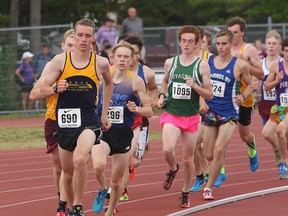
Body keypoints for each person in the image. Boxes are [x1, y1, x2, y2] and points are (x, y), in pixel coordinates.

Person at [29, 18, 113, 216]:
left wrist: (104, 113)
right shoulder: (60, 61)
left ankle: (77, 206)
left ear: (93, 39)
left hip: (88, 121)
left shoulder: (100, 63)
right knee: (67, 173)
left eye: (88, 36)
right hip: (65, 122)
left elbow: (108, 84)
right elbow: (35, 94)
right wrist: (54, 88)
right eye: (80, 35)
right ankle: (67, 204)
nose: (83, 40)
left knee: (80, 159)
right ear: (74, 37)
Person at [91, 41, 153, 216]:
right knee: (98, 166)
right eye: (119, 56)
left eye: (126, 57)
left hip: (124, 134)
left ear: (132, 59)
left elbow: (149, 110)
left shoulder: (136, 81)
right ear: (112, 57)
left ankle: (109, 212)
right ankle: (103, 189)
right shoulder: (103, 77)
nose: (122, 60)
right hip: (103, 131)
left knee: (117, 182)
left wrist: (137, 109)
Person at [157, 25, 213, 208]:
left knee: (188, 159)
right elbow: (165, 82)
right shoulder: (170, 63)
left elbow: (209, 94)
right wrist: (161, 96)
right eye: (184, 41)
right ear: (179, 42)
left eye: (191, 41)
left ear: (197, 44)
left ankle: (185, 192)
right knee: (167, 149)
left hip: (191, 117)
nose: (187, 44)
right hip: (172, 113)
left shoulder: (201, 65)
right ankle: (173, 169)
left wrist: (195, 86)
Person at [201, 29, 253, 200]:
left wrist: (243, 96)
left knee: (219, 149)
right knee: (208, 153)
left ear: (231, 44)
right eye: (219, 43)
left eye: (224, 44)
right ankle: (218, 167)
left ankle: (208, 188)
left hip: (230, 113)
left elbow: (251, 85)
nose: (221, 47)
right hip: (211, 111)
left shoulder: (240, 65)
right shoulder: (208, 61)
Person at [30, 29, 75, 215]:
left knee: (72, 165)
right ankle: (62, 198)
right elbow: (34, 94)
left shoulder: (91, 64)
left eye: (76, 44)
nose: (72, 49)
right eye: (69, 45)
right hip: (54, 119)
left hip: (78, 121)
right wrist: (55, 88)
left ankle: (68, 205)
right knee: (59, 167)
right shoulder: (52, 65)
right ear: (63, 46)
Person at [119, 33, 158, 202]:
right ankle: (121, 189)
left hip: (140, 120)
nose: (131, 56)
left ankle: (142, 149)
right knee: (122, 156)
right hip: (120, 120)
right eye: (128, 51)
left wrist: (152, 99)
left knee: (134, 160)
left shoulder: (146, 72)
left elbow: (154, 88)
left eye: (134, 52)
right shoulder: (117, 70)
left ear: (139, 54)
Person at [224, 17, 264, 181]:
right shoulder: (223, 49)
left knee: (244, 135)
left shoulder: (249, 50)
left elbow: (261, 74)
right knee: (221, 138)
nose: (232, 36)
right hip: (226, 100)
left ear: (242, 32)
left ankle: (252, 146)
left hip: (244, 99)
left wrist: (244, 65)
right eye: (229, 33)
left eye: (235, 33)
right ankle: (220, 172)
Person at [263, 37, 288, 179]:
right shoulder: (276, 67)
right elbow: (266, 87)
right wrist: (277, 80)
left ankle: (284, 163)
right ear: (282, 51)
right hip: (278, 108)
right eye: (286, 51)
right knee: (266, 133)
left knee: (279, 131)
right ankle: (280, 151)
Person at [260, 30, 282, 168]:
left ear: (279, 46)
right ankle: (278, 151)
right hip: (265, 105)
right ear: (265, 45)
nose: (272, 46)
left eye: (274, 43)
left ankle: (282, 161)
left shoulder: (283, 62)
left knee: (280, 134)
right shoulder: (261, 63)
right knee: (269, 135)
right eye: (269, 43)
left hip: (281, 104)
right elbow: (253, 80)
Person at [33, 44, 54, 109]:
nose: (45, 51)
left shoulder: (51, 56)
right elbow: (35, 66)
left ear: (48, 50)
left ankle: (50, 107)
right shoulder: (39, 57)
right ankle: (41, 109)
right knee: (41, 92)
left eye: (46, 50)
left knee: (49, 92)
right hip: (40, 76)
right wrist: (35, 74)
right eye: (44, 50)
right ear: (42, 50)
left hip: (50, 76)